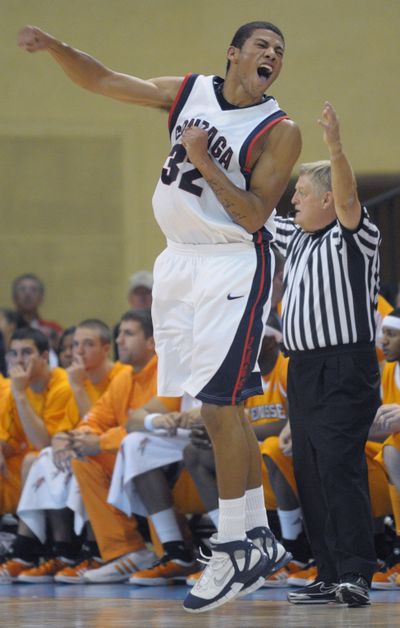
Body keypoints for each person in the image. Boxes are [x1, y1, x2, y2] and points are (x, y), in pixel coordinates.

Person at [18, 20, 301, 611]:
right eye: (261, 46)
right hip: (178, 262)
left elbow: (252, 217)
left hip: (232, 262)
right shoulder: (190, 92)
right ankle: (255, 538)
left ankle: (232, 544)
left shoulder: (280, 131)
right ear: (233, 55)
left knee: (221, 404)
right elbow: (104, 80)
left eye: (279, 50)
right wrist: (56, 48)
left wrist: (203, 156)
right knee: (214, 405)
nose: (271, 55)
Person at [272, 102, 381, 607]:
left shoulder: (353, 236)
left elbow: (350, 194)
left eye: (302, 192)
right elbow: (247, 215)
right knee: (311, 470)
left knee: (340, 466)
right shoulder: (294, 237)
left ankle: (358, 572)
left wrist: (335, 149)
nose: (293, 199)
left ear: (327, 200)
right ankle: (329, 570)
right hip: (304, 369)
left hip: (344, 365)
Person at [13, 319, 130, 584]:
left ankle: (95, 549)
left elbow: (100, 428)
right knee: (47, 459)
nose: (78, 351)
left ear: (105, 349)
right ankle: (60, 551)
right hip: (90, 449)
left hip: (117, 452)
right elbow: (64, 432)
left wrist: (77, 388)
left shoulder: (119, 375)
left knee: (81, 460)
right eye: (76, 344)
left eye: (87, 344)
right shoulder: (79, 378)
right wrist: (60, 443)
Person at [0, 328, 76, 582]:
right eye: (14, 354)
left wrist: (20, 395)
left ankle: (29, 549)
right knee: (31, 461)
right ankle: (28, 548)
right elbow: (9, 437)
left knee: (37, 460)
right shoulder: (15, 388)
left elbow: (43, 441)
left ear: (45, 356)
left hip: (68, 457)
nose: (19, 360)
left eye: (27, 353)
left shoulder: (61, 385)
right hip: (29, 465)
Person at [370, 309, 400, 588]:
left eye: (391, 335)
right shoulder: (390, 368)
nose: (384, 341)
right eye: (383, 334)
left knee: (392, 451)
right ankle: (378, 546)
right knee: (351, 450)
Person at [11, 274, 63, 364]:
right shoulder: (6, 327)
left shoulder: (53, 329)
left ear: (41, 298)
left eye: (33, 290)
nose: (27, 294)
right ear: (14, 298)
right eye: (22, 289)